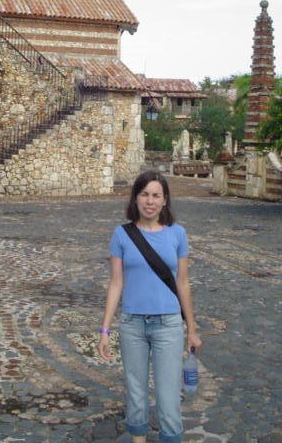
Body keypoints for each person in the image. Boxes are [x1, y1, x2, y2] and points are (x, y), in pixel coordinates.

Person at [97, 170, 202, 443]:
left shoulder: (178, 234)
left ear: (165, 200)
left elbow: (183, 283)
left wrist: (192, 329)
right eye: (144, 194)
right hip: (132, 324)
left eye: (156, 195)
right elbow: (116, 284)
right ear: (136, 198)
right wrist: (105, 330)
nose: (150, 201)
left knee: (168, 399)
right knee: (136, 393)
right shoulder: (121, 235)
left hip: (168, 324)